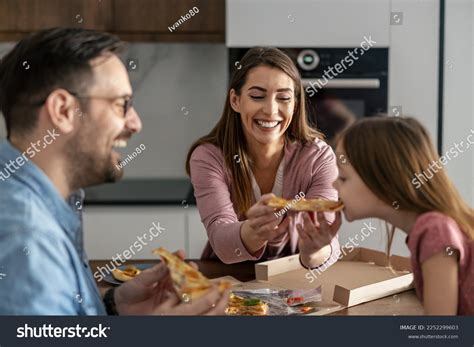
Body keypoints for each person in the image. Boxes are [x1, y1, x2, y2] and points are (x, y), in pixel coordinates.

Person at [0, 27, 228, 315]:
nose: (135, 123)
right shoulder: (25, 235)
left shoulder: (39, 201)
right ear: (63, 111)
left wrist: (114, 305)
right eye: (122, 104)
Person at [186, 47, 341, 269]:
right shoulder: (209, 157)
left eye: (284, 98)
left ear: (295, 104)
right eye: (257, 96)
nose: (270, 110)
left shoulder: (318, 157)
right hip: (229, 278)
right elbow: (220, 238)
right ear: (235, 100)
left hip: (296, 278)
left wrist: (314, 251)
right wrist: (252, 231)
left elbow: (326, 238)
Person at [330, 116, 473, 315]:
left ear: (384, 182)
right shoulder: (430, 227)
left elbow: (440, 332)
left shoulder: (434, 230)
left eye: (343, 177)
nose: (333, 185)